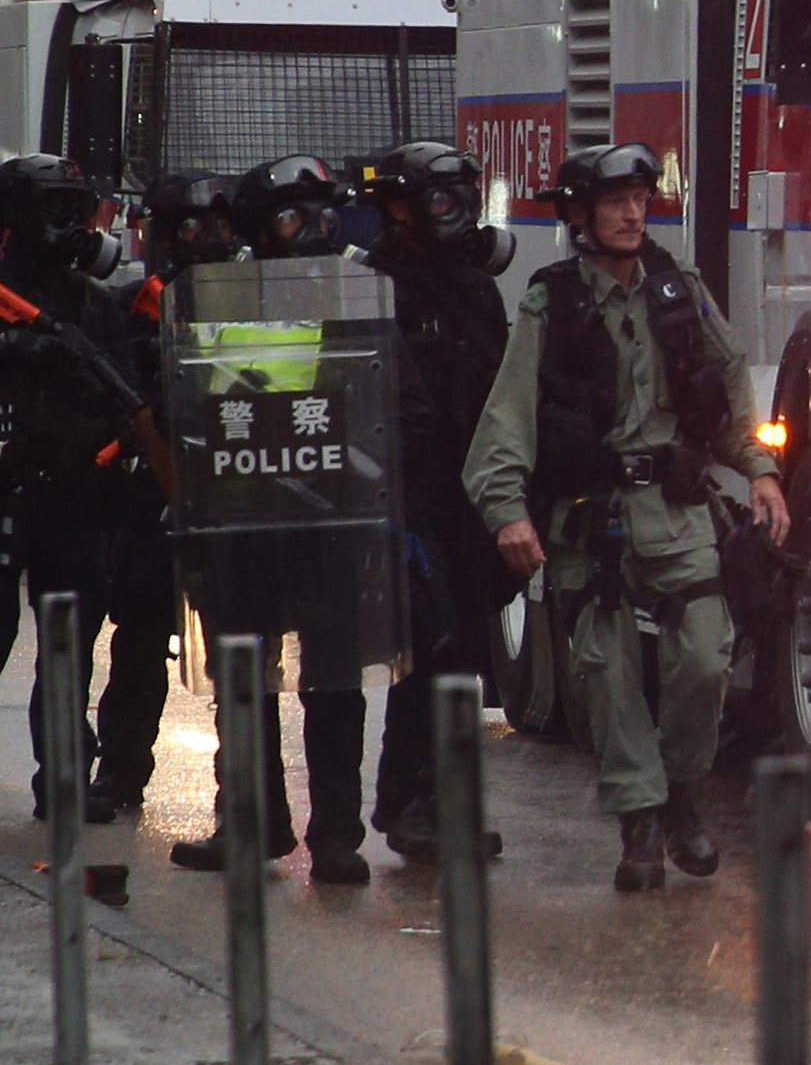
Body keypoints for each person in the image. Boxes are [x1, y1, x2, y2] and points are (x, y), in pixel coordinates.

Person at [461, 144, 788, 890]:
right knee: (605, 674)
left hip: (676, 509)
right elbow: (506, 422)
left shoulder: (681, 292)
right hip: (591, 516)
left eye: (640, 198)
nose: (633, 213)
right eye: (615, 202)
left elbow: (731, 385)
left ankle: (677, 792)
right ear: (580, 216)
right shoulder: (551, 303)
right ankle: (640, 822)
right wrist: (509, 511)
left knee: (705, 659)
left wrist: (762, 472)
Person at [167, 157, 384, 881]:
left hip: (331, 522)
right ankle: (253, 824)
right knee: (243, 679)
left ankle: (337, 837)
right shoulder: (216, 298)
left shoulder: (359, 296)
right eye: (294, 217)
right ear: (260, 229)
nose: (315, 234)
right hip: (243, 520)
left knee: (333, 682)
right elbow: (186, 398)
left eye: (325, 216)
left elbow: (393, 403)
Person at [358, 143, 518, 863]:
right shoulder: (372, 288)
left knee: (467, 652)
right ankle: (408, 799)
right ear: (398, 208)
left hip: (470, 496)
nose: (453, 214)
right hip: (406, 498)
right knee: (430, 643)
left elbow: (503, 393)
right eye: (437, 199)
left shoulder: (477, 290)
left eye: (463, 197)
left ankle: (441, 800)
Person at [0, 155, 164, 824]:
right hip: (8, 492)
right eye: (54, 209)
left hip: (73, 494)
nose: (69, 225)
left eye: (77, 208)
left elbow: (127, 401)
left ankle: (65, 775)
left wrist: (112, 442)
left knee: (67, 644)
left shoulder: (93, 307)